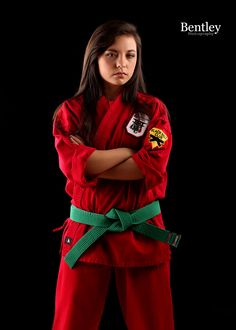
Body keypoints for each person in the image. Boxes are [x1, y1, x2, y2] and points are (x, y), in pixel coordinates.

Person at [51, 19, 181, 330]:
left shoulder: (154, 112)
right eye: (111, 54)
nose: (122, 63)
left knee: (155, 324)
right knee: (71, 324)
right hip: (87, 231)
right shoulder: (70, 113)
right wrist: (129, 153)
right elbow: (73, 165)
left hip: (141, 230)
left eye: (130, 55)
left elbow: (151, 167)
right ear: (94, 57)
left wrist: (93, 157)